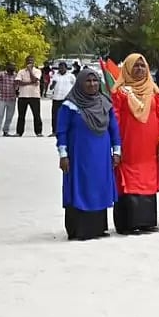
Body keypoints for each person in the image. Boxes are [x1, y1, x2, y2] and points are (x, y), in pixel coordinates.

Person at [56, 69, 121, 241]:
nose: (92, 84)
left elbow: (114, 129)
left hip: (101, 156)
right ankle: (80, 230)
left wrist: (116, 151)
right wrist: (63, 155)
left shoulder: (105, 103)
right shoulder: (70, 105)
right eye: (88, 81)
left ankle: (98, 228)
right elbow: (61, 131)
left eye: (95, 80)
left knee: (98, 187)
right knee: (81, 186)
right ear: (79, 83)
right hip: (78, 156)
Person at [111, 53, 159, 235]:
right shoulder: (119, 92)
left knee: (147, 180)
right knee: (128, 180)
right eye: (135, 66)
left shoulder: (154, 90)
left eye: (143, 66)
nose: (140, 69)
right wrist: (116, 144)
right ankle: (128, 223)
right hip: (128, 145)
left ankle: (146, 222)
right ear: (127, 68)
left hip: (149, 147)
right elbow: (115, 119)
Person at [15, 55, 43, 137]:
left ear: (34, 62)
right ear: (25, 62)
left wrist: (30, 71)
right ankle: (19, 132)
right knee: (21, 115)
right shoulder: (21, 71)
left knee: (36, 115)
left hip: (34, 96)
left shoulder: (37, 71)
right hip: (22, 96)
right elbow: (18, 82)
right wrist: (31, 83)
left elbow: (35, 79)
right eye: (28, 61)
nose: (30, 62)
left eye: (31, 61)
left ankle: (38, 132)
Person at [48, 62, 76, 137]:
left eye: (62, 67)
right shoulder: (55, 76)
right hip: (56, 98)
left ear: (66, 68)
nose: (61, 69)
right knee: (55, 116)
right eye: (60, 67)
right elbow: (50, 88)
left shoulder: (71, 76)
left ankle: (68, 131)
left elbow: (75, 86)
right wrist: (53, 84)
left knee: (67, 116)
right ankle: (55, 131)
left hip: (67, 99)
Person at [0, 64, 18, 137]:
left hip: (12, 99)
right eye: (11, 66)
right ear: (7, 67)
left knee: (9, 116)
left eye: (14, 66)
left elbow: (18, 83)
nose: (13, 68)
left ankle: (6, 131)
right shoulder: (2, 74)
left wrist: (17, 88)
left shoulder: (15, 75)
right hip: (1, 98)